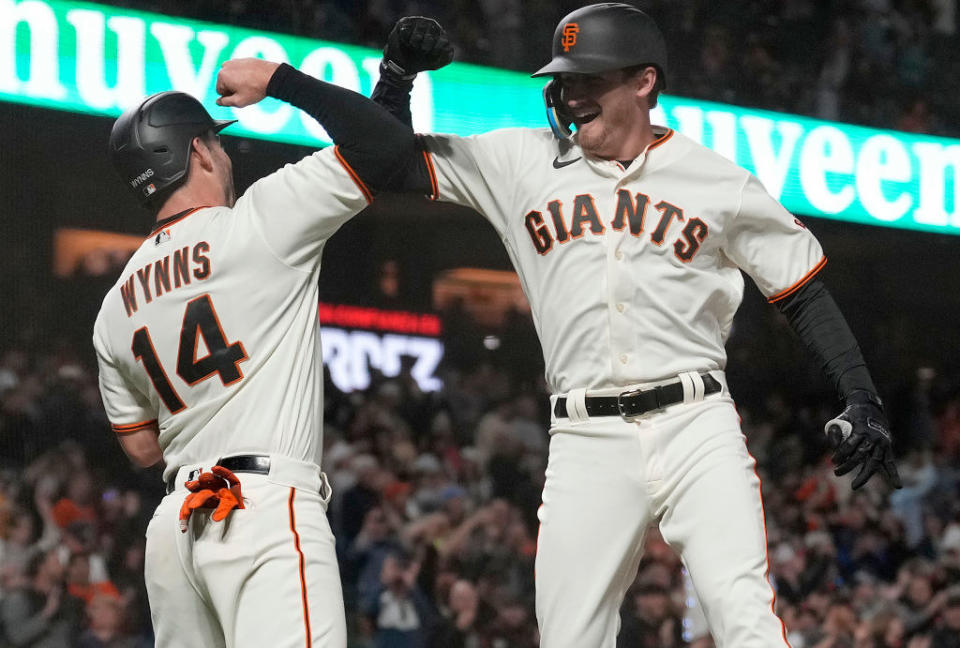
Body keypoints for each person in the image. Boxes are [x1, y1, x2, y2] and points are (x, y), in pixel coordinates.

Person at [371, 6, 902, 646]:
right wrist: (396, 78)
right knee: (568, 635)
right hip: (584, 436)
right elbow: (391, 164)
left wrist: (861, 395)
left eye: (589, 77)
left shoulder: (717, 181)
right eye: (565, 80)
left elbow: (802, 292)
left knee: (744, 618)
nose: (571, 93)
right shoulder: (520, 161)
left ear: (644, 82)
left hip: (695, 424)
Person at [93, 55, 427, 647]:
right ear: (197, 152)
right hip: (261, 509)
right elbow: (385, 148)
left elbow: (144, 449)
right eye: (217, 147)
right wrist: (283, 81)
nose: (226, 156)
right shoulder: (258, 222)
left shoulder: (114, 305)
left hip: (175, 533)